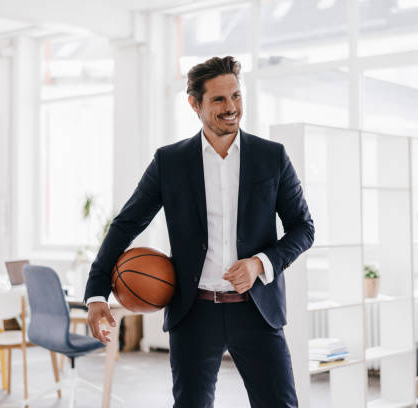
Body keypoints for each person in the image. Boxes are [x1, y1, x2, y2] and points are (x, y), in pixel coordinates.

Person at [84, 56, 314, 408]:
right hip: (194, 312)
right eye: (219, 100)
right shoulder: (170, 162)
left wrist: (260, 263)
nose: (231, 107)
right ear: (194, 103)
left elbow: (303, 228)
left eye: (236, 96)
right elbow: (127, 223)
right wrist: (97, 293)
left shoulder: (272, 157)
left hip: (257, 310)